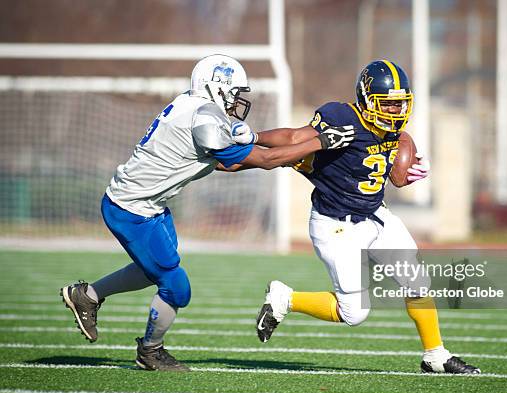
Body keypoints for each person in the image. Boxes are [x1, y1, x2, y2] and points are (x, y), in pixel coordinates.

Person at [60, 54, 356, 372]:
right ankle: (150, 351)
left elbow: (227, 163)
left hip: (149, 204)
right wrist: (320, 143)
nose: (237, 99)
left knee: (154, 270)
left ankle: (87, 295)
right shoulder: (205, 119)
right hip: (131, 208)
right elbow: (266, 161)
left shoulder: (194, 106)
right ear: (217, 87)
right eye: (233, 91)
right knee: (175, 285)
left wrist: (270, 145)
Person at [245, 59, 480, 374]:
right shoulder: (342, 117)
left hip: (375, 216)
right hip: (337, 225)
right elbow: (293, 138)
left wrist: (404, 170)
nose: (395, 113)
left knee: (418, 282)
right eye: (388, 105)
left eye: (400, 105)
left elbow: (397, 159)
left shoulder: (391, 130)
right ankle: (286, 298)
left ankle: (435, 354)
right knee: (354, 313)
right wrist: (252, 137)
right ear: (367, 100)